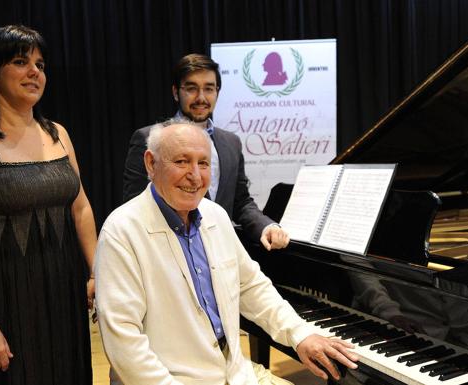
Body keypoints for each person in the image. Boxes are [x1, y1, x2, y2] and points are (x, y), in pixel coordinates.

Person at [95, 119, 358, 385]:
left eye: (203, 163)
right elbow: (124, 344)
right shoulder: (121, 231)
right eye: (182, 162)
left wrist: (300, 334)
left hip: (233, 372)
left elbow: (251, 286)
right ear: (151, 163)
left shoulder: (215, 216)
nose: (195, 176)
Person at [0, 25, 96, 384]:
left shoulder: (58, 133)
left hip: (61, 294)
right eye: (21, 62)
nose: (34, 72)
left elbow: (80, 207)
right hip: (4, 300)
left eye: (40, 64)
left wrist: (96, 270)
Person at [122, 53, 290, 251]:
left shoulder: (231, 143)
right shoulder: (149, 138)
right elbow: (135, 205)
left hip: (219, 255)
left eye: (209, 88)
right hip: (165, 254)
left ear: (217, 92)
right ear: (176, 92)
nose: (201, 97)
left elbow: (241, 202)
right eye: (191, 88)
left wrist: (266, 226)